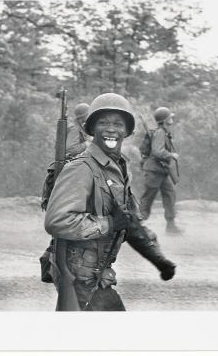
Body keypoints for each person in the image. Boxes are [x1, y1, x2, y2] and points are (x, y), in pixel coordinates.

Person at [44, 93, 176, 311]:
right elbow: (57, 221)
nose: (111, 129)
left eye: (118, 123)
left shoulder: (118, 167)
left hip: (99, 275)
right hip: (79, 277)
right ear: (92, 129)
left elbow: (129, 222)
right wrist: (109, 224)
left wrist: (157, 259)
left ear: (127, 131)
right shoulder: (82, 168)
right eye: (103, 122)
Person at [139, 107, 182, 235]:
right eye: (170, 117)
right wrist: (171, 155)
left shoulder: (163, 132)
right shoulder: (160, 133)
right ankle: (134, 226)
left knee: (170, 195)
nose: (172, 119)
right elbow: (157, 151)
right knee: (148, 199)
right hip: (153, 171)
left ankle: (171, 226)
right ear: (165, 120)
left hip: (160, 171)